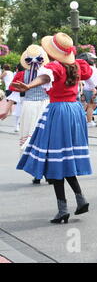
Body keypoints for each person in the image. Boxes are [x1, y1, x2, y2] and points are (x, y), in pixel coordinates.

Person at [11, 32, 97, 224]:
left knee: (55, 159)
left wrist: (28, 86)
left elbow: (44, 78)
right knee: (66, 157)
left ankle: (62, 209)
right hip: (75, 111)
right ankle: (80, 198)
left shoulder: (54, 67)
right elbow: (95, 80)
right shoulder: (78, 65)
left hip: (58, 111)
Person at [0, 46, 50, 185]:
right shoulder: (47, 73)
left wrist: (5, 109)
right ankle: (45, 172)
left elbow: (14, 95)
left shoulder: (23, 75)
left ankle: (38, 173)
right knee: (43, 139)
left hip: (31, 107)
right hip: (44, 105)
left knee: (34, 139)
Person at [79, 52, 97, 128]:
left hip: (87, 89)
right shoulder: (91, 69)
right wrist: (94, 89)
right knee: (91, 105)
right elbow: (92, 80)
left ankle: (83, 120)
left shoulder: (85, 68)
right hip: (91, 89)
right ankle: (89, 121)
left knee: (87, 105)